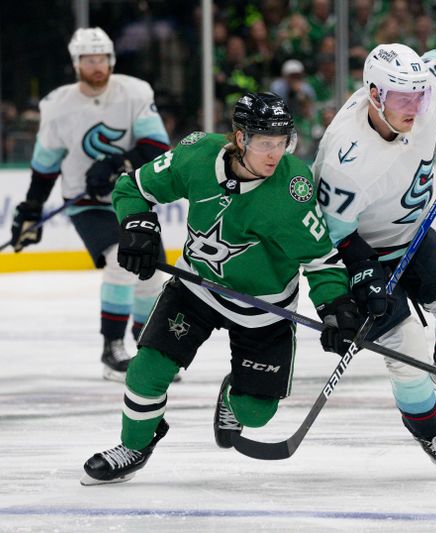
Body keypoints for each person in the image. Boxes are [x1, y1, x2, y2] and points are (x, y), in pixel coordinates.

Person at [80, 92, 358, 485]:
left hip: (264, 309)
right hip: (198, 288)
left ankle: (234, 395)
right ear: (240, 139)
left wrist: (335, 306)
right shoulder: (197, 154)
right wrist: (136, 225)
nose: (274, 154)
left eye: (282, 143)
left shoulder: (292, 189)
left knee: (255, 413)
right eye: (265, 143)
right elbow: (133, 188)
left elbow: (320, 260)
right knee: (147, 370)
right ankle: (135, 444)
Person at [312, 43, 436, 478]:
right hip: (359, 250)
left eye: (419, 96)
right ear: (375, 95)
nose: (416, 107)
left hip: (411, 233)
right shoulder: (345, 155)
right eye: (403, 98)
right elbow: (333, 233)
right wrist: (361, 274)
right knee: (408, 349)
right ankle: (431, 431)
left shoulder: (426, 89)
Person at [10, 27, 171, 382]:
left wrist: (117, 164)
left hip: (131, 197)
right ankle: (111, 349)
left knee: (152, 273)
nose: (96, 66)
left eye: (101, 59)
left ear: (111, 60)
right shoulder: (57, 106)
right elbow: (45, 166)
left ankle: (146, 349)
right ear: (76, 63)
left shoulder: (135, 92)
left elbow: (157, 149)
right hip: (87, 204)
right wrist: (31, 210)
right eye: (89, 60)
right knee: (119, 258)